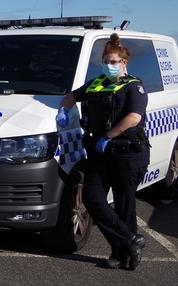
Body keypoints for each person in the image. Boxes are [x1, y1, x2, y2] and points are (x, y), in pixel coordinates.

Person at [56, 33, 149, 270]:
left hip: (126, 152)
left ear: (124, 63)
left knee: (124, 205)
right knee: (93, 198)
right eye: (107, 61)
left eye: (114, 61)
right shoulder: (97, 83)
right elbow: (72, 96)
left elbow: (134, 117)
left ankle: (123, 256)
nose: (110, 65)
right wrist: (63, 110)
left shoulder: (134, 87)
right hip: (100, 154)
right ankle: (130, 240)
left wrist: (108, 136)